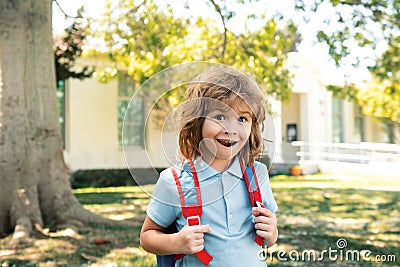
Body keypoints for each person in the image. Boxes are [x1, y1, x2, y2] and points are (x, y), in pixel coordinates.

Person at [140, 65, 278, 266]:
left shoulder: (258, 174)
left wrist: (272, 232)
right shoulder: (174, 182)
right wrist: (176, 242)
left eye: (242, 118)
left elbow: (270, 235)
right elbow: (147, 236)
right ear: (197, 121)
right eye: (220, 117)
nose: (230, 129)